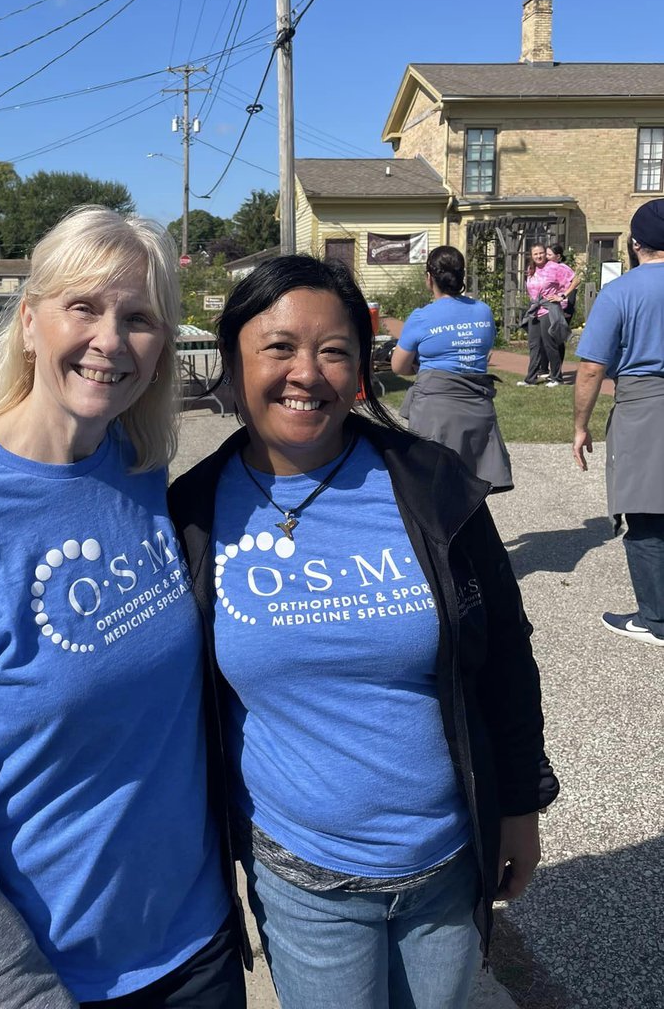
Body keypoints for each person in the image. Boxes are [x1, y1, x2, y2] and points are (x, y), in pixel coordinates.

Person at [0, 208, 246, 1009]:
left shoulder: (139, 468)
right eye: (85, 307)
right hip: (40, 972)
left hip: (191, 943)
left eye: (139, 318)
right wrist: (11, 983)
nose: (111, 339)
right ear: (30, 321)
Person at [168, 255, 558, 1009]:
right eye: (278, 346)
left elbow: (507, 658)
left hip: (446, 865)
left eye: (334, 350)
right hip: (304, 878)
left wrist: (519, 808)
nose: (306, 373)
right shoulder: (193, 513)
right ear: (233, 358)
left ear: (362, 369)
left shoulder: (434, 485)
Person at [573, 199, 664, 647]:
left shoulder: (621, 292)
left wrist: (580, 425)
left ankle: (656, 620)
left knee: (646, 509)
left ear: (634, 243)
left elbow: (591, 368)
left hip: (645, 404)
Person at [391, 245, 512, 492]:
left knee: (436, 488)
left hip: (437, 412)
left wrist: (420, 367)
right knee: (473, 486)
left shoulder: (421, 317)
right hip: (478, 407)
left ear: (429, 278)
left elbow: (398, 366)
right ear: (461, 276)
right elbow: (484, 352)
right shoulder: (483, 311)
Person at [517, 244, 572, 387]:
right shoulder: (531, 269)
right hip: (535, 310)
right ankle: (531, 379)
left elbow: (575, 279)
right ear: (532, 255)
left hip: (548, 309)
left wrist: (562, 295)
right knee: (534, 345)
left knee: (549, 344)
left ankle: (556, 377)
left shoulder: (555, 267)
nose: (539, 256)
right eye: (535, 254)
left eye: (541, 253)